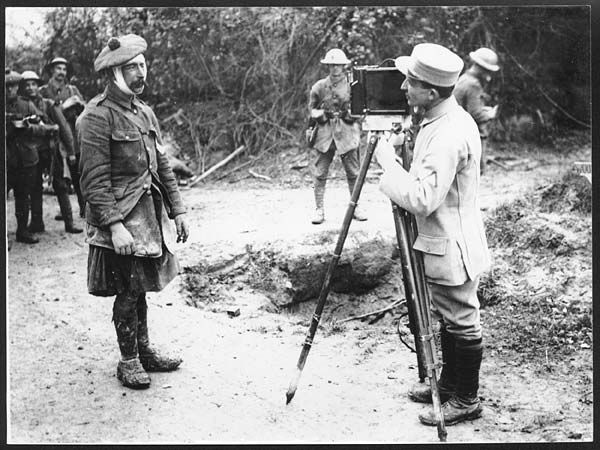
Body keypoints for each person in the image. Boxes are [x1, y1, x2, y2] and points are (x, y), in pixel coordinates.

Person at [374, 43, 491, 426]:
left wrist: (388, 166)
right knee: (449, 316)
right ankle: (450, 382)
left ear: (432, 92)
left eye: (411, 81)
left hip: (450, 244)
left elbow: (423, 197)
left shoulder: (446, 133)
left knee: (462, 319)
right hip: (446, 239)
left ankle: (467, 399)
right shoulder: (440, 119)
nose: (403, 87)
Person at [77, 34, 190, 389]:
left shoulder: (144, 112)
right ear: (113, 73)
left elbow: (163, 165)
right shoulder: (96, 117)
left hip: (146, 216)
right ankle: (128, 361)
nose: (141, 73)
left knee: (139, 286)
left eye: (143, 65)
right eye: (132, 67)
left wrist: (178, 210)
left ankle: (144, 351)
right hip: (121, 219)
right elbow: (94, 180)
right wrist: (114, 226)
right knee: (127, 288)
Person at [18, 70, 83, 234]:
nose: (31, 88)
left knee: (60, 185)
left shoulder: (47, 104)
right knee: (34, 187)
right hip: (32, 152)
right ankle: (37, 222)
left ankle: (69, 224)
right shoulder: (21, 106)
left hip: (52, 151)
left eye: (33, 84)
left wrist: (71, 152)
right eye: (27, 85)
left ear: (38, 86)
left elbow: (64, 127)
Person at [308, 48, 366, 224]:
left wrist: (351, 115)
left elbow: (361, 110)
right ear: (328, 66)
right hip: (325, 134)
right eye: (331, 65)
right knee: (319, 172)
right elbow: (311, 110)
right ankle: (319, 210)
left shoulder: (353, 85)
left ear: (344, 66)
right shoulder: (319, 87)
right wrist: (320, 115)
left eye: (338, 65)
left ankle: (356, 207)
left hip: (347, 132)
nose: (335, 69)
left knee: (354, 172)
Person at [6, 70, 56, 244]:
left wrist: (28, 127)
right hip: (6, 160)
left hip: (26, 158)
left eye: (12, 86)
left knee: (24, 195)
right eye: (6, 86)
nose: (9, 91)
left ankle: (22, 230)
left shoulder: (26, 105)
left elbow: (43, 127)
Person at [40, 56, 86, 217]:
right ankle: (64, 211)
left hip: (73, 137)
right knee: (58, 176)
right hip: (53, 139)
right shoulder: (43, 91)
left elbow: (84, 113)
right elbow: (40, 113)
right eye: (58, 68)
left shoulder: (72, 90)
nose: (61, 72)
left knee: (78, 175)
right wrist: (62, 107)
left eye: (64, 69)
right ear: (51, 70)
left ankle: (84, 208)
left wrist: (79, 104)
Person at [453, 47, 500, 174]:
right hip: (467, 136)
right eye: (487, 71)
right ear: (480, 68)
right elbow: (475, 115)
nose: (488, 76)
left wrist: (482, 109)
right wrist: (490, 114)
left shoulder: (464, 78)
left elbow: (466, 106)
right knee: (474, 173)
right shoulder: (473, 84)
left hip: (457, 131)